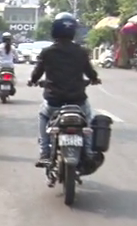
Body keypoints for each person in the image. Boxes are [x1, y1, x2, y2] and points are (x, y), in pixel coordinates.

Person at [28, 13, 99, 166]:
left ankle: (45, 153)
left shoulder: (47, 52)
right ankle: (88, 152)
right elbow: (90, 72)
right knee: (87, 121)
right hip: (77, 101)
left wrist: (33, 81)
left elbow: (37, 73)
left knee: (43, 116)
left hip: (54, 101)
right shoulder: (81, 52)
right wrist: (94, 79)